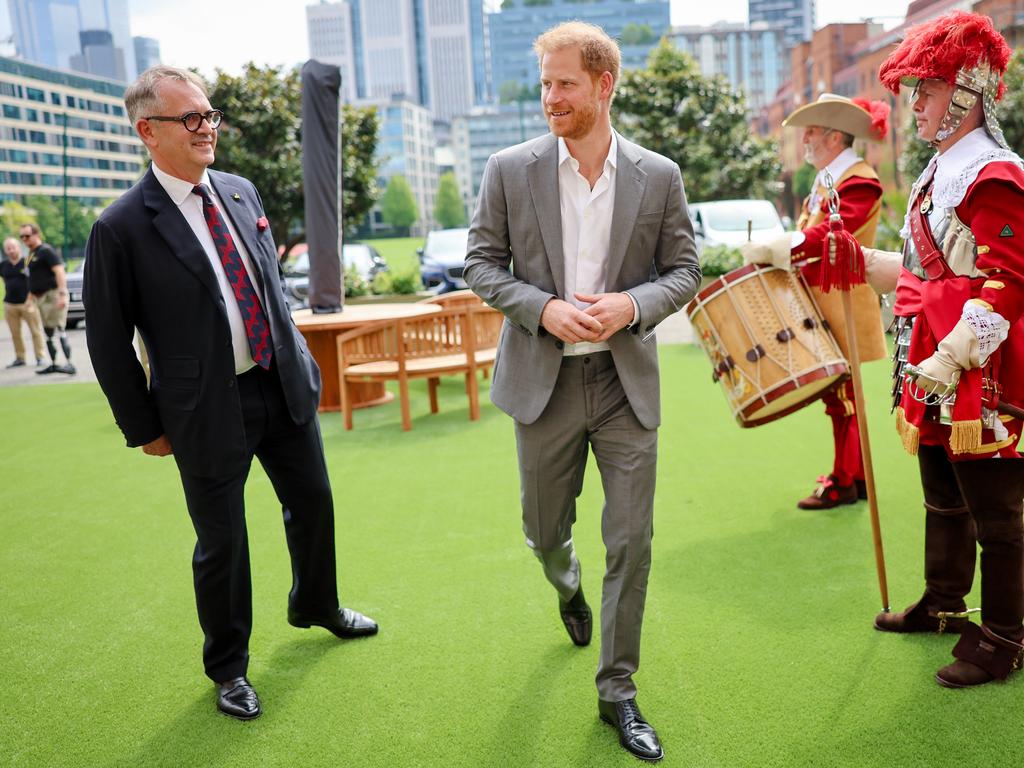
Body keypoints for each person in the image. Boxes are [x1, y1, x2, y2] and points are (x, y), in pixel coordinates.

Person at [83, 66, 378, 720]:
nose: (207, 128)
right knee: (223, 543)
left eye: (210, 115)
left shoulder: (241, 193)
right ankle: (229, 669)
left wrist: (300, 363)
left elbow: (269, 291)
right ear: (147, 133)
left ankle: (316, 603)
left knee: (315, 502)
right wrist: (145, 427)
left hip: (281, 386)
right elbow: (107, 342)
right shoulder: (121, 228)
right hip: (202, 410)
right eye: (190, 119)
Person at [464, 21, 701, 762]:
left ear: (604, 86)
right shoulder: (509, 168)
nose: (549, 98)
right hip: (544, 384)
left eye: (564, 83)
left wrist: (633, 305)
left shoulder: (657, 175)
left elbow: (685, 270)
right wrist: (543, 308)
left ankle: (617, 692)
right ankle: (564, 583)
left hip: (626, 386)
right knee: (543, 530)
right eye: (544, 84)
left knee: (631, 542)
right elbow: (479, 263)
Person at [854, 10, 1024, 689]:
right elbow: (925, 275)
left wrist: (952, 357)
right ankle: (945, 601)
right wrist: (850, 257)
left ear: (963, 94)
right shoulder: (938, 174)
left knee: (998, 511)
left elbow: (1006, 284)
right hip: (934, 353)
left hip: (981, 365)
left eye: (924, 89)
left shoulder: (994, 173)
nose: (914, 103)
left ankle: (1005, 635)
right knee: (941, 492)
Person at [741, 94, 890, 509]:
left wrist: (780, 244)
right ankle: (854, 477)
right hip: (823, 302)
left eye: (811, 130)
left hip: (843, 301)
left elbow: (830, 237)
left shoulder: (859, 180)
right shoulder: (828, 181)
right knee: (838, 395)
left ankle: (844, 481)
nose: (804, 138)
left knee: (842, 396)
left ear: (834, 136)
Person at [21, 223, 75, 375]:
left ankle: (70, 364)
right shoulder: (31, 254)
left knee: (59, 329)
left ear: (36, 234)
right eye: (22, 237)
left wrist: (63, 294)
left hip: (53, 295)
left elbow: (59, 271)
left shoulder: (46, 251)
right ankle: (54, 364)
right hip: (40, 298)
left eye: (27, 235)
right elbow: (32, 279)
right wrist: (29, 298)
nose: (24, 239)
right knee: (48, 332)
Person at [1, 236, 46, 369]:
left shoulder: (28, 262)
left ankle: (40, 357)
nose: (11, 250)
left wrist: (31, 298)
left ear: (18, 247)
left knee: (35, 331)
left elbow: (36, 279)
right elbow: (5, 280)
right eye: (8, 248)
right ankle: (20, 357)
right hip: (10, 304)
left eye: (13, 247)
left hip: (28, 302)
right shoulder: (3, 265)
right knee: (15, 333)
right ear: (5, 251)